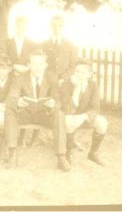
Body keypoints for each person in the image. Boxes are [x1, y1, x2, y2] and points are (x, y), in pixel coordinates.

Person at [4, 49, 71, 171]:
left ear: (45, 65)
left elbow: (58, 100)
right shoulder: (20, 78)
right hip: (26, 114)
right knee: (9, 111)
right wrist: (18, 102)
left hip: (44, 115)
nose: (37, 67)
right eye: (34, 63)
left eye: (40, 64)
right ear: (28, 65)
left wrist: (53, 103)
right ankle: (12, 153)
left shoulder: (52, 77)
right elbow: (11, 98)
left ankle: (61, 157)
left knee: (59, 113)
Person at [28, 15, 78, 146]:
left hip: (63, 82)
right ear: (50, 27)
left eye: (59, 25)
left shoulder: (70, 45)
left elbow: (73, 66)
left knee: (65, 108)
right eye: (54, 25)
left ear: (63, 27)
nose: (57, 28)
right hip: (47, 81)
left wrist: (63, 79)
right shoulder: (44, 44)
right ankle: (35, 135)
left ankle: (68, 139)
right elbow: (39, 64)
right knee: (41, 103)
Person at [60, 59, 109, 166]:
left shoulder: (93, 85)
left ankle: (93, 153)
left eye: (83, 72)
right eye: (77, 71)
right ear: (73, 72)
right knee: (69, 121)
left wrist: (83, 116)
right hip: (70, 116)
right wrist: (77, 88)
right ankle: (69, 152)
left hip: (85, 117)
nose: (80, 75)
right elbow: (68, 109)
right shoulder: (66, 84)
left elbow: (95, 108)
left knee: (102, 122)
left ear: (89, 74)